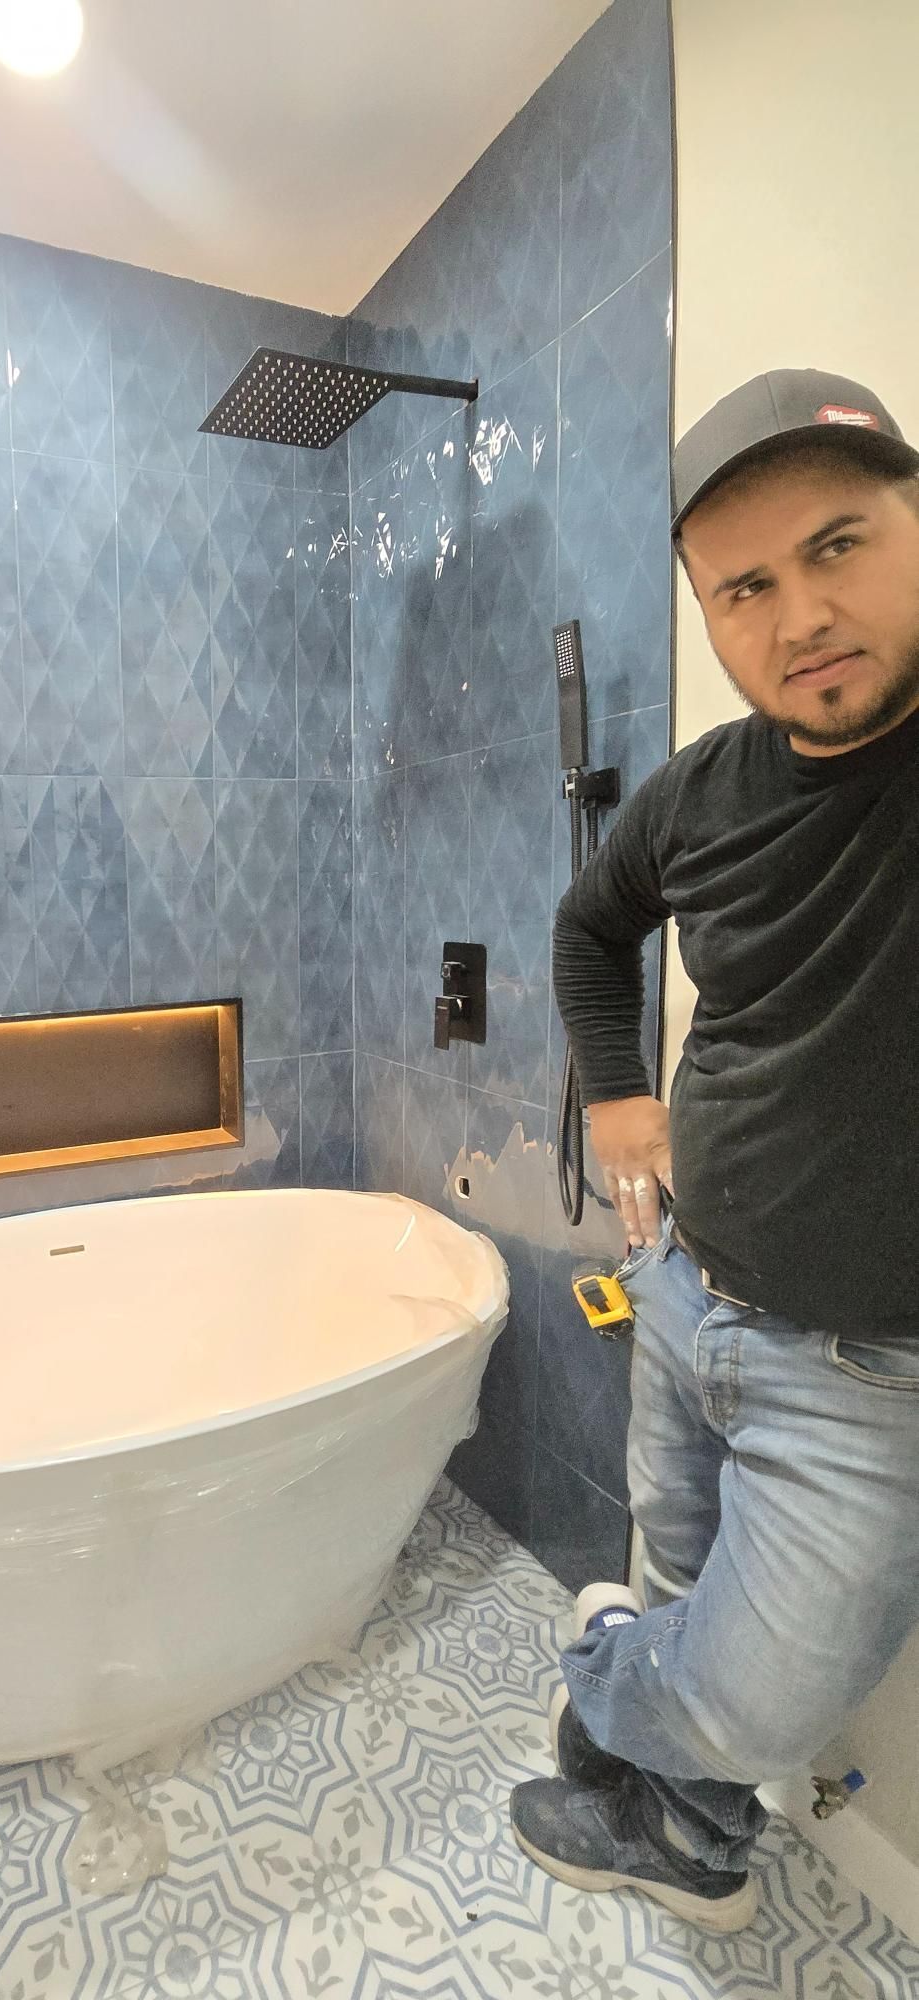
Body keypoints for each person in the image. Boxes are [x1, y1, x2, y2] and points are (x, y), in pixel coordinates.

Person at [508, 369, 919, 1931]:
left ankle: (607, 1689)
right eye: (744, 587)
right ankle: (687, 1840)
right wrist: (616, 1094)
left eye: (839, 546)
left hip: (869, 1370)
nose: (798, 613)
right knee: (681, 1575)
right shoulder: (703, 791)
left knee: (750, 1699)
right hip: (684, 1288)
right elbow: (592, 923)